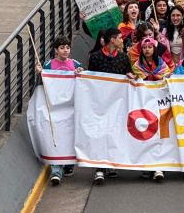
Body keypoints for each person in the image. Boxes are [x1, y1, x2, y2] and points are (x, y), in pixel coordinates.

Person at [87, 28, 136, 184]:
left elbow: (129, 74)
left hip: (117, 105)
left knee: (115, 133)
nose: (122, 40)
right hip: (100, 105)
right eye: (120, 38)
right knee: (101, 134)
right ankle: (100, 168)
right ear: (112, 40)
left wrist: (130, 76)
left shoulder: (123, 58)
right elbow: (91, 79)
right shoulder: (95, 57)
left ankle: (112, 163)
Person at [34, 35, 83, 185]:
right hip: (55, 108)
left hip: (71, 107)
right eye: (62, 48)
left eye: (67, 47)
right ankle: (56, 169)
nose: (65, 50)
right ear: (56, 50)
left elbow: (83, 86)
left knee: (70, 135)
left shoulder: (76, 64)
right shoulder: (48, 65)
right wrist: (40, 74)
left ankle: (69, 164)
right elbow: (43, 84)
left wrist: (81, 73)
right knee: (56, 136)